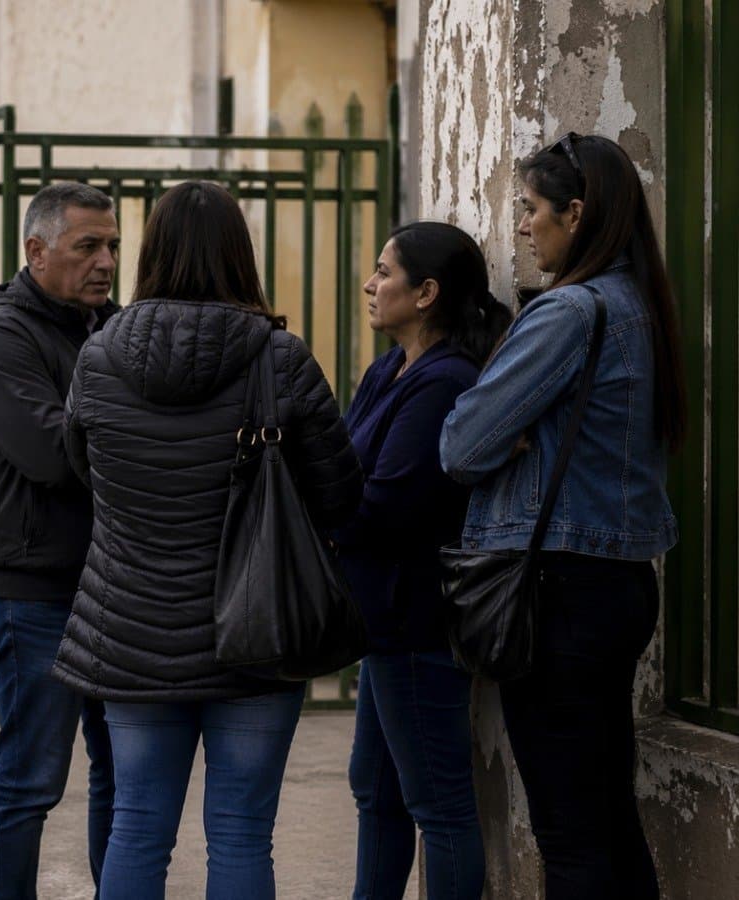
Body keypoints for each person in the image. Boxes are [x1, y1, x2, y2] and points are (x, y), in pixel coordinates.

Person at [51, 181, 362, 900]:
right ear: (238, 254)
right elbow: (341, 494)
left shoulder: (97, 359)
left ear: (151, 253)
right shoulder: (279, 359)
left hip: (131, 630)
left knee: (136, 825)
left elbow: (83, 470)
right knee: (243, 831)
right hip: (259, 630)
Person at [440, 133, 685, 899]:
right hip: (618, 583)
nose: (520, 226)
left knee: (570, 834)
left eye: (530, 208)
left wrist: (506, 432)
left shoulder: (570, 312)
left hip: (556, 593)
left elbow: (460, 444)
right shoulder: (640, 307)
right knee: (608, 817)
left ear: (574, 214)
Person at [336, 222, 512, 900]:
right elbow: (344, 475)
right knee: (375, 791)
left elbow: (383, 505)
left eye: (384, 272)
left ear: (427, 293)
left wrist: (328, 519)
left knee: (438, 806)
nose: (370, 284)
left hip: (416, 620)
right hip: (382, 620)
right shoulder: (390, 369)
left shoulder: (444, 382)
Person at [0, 181, 119, 899]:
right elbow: (53, 455)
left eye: (112, 246)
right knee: (30, 781)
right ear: (37, 251)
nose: (105, 261)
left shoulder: (111, 327)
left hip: (113, 589)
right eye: (87, 246)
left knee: (121, 775)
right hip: (34, 596)